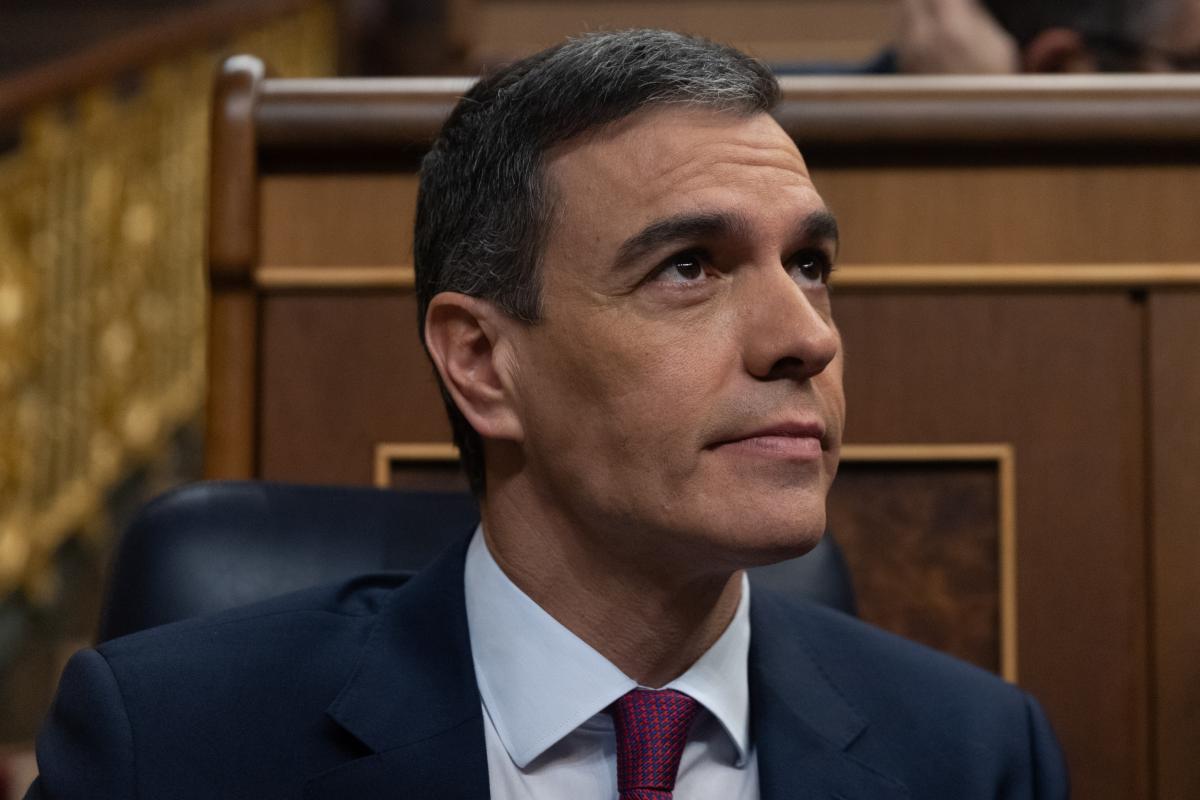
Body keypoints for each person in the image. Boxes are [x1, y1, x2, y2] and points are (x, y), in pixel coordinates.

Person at [26, 30, 1068, 799]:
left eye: (809, 264)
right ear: (482, 361)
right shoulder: (171, 745)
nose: (806, 336)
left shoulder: (973, 754)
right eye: (690, 267)